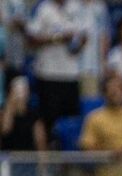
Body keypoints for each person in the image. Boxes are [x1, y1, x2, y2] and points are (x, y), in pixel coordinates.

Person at [26, 0, 84, 138]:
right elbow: (31, 40)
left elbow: (80, 38)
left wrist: (79, 43)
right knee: (49, 122)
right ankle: (49, 154)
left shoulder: (76, 7)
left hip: (71, 74)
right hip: (48, 74)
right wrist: (57, 39)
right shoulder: (43, 8)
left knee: (71, 121)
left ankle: (68, 156)